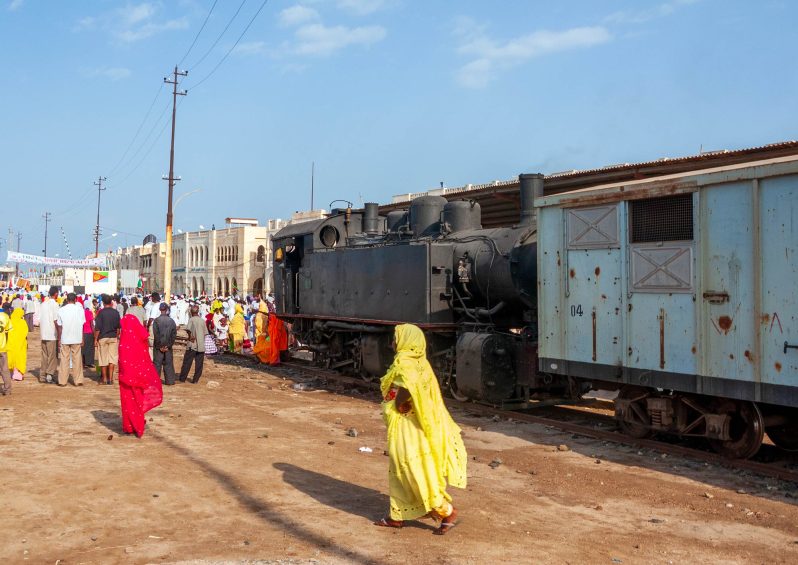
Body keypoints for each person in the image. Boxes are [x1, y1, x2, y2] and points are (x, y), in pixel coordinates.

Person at [373, 324, 468, 535]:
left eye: (395, 338)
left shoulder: (405, 363)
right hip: (415, 423)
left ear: (406, 340)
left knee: (411, 468)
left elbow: (407, 387)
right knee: (402, 468)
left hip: (407, 424)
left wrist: (399, 403)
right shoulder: (421, 363)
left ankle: (446, 511)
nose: (392, 342)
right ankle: (397, 516)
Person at [118, 314, 163, 437]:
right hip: (138, 377)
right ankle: (137, 425)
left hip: (127, 378)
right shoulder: (139, 341)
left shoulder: (123, 342)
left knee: (128, 403)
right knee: (137, 402)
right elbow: (146, 358)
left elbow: (122, 362)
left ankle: (130, 426)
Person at [56, 293, 85, 387]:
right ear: (75, 300)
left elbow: (59, 326)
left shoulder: (61, 310)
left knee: (64, 359)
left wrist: (59, 338)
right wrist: (82, 338)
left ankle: (63, 381)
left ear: (67, 299)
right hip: (77, 337)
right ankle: (78, 380)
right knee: (77, 359)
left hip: (65, 337)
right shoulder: (80, 310)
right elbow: (82, 325)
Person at [94, 294, 121, 385]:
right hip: (113, 337)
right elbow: (118, 328)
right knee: (112, 359)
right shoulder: (116, 312)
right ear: (111, 302)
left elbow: (98, 328)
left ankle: (104, 379)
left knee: (103, 358)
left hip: (103, 337)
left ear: (103, 302)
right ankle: (111, 378)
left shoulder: (101, 313)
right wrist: (116, 336)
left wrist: (95, 339)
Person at [179, 304, 207, 383]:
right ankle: (195, 380)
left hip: (192, 344)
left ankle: (182, 378)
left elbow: (188, 329)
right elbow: (205, 333)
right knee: (199, 364)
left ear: (191, 312)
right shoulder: (202, 321)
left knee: (187, 362)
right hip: (201, 345)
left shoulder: (191, 320)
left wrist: (190, 336)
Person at [152, 303, 177, 385]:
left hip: (158, 346)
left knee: (157, 364)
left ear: (160, 309)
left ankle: (155, 381)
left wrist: (159, 346)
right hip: (168, 346)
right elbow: (173, 335)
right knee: (168, 364)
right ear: (167, 310)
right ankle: (169, 381)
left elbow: (156, 334)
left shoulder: (156, 321)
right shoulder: (171, 321)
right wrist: (168, 346)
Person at [39, 287, 60, 383]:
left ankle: (42, 376)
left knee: (44, 356)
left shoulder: (43, 304)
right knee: (53, 357)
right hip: (52, 334)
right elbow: (56, 320)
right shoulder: (55, 305)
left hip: (43, 333)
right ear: (56, 294)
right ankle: (49, 376)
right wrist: (59, 334)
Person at [7, 308, 29, 380]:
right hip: (21, 344)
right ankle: (18, 374)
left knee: (11, 358)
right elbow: (25, 333)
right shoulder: (23, 322)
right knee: (20, 358)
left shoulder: (9, 321)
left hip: (11, 344)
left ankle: (12, 373)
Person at [0, 309, 13, 395]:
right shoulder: (5, 316)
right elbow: (8, 332)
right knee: (4, 369)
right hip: (2, 346)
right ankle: (7, 389)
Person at [82, 300, 95, 368]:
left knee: (84, 348)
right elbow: (92, 323)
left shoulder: (82, 312)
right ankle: (89, 362)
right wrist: (94, 332)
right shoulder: (89, 312)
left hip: (83, 332)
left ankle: (84, 362)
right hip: (89, 332)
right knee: (90, 348)